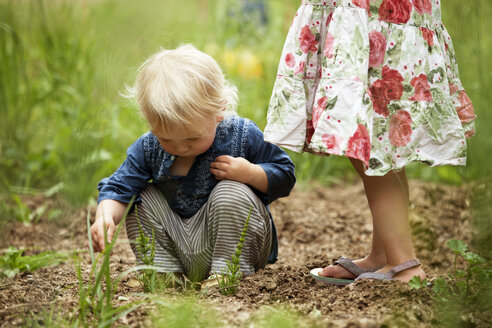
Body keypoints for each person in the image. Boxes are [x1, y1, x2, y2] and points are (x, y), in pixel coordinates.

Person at [264, 0, 475, 283]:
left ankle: (405, 264)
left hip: (370, 10)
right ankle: (384, 255)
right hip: (376, 12)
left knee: (370, 143)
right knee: (381, 139)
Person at [90, 44, 296, 283]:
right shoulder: (148, 147)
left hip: (232, 243)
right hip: (179, 242)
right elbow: (119, 187)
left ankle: (228, 273)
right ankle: (164, 273)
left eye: (192, 137)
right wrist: (105, 215)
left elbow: (285, 175)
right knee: (139, 197)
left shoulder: (241, 135)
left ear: (219, 109)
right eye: (166, 138)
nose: (180, 147)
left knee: (232, 190)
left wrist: (249, 173)